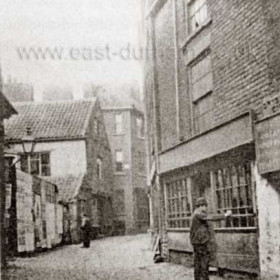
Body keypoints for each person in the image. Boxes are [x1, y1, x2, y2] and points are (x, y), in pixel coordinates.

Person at [190, 197, 232, 280]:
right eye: (205, 206)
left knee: (198, 262)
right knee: (204, 261)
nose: (206, 208)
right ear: (201, 206)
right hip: (200, 242)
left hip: (197, 241)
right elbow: (211, 217)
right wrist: (225, 215)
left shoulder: (196, 213)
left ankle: (198, 278)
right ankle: (205, 278)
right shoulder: (198, 213)